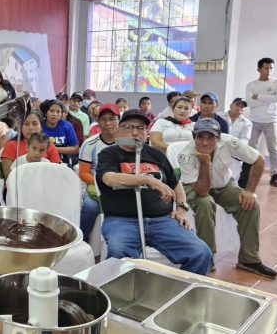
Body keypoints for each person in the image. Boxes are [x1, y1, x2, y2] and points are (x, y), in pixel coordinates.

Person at [96, 110, 212, 275]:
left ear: (146, 133)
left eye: (140, 128)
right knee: (118, 252)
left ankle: (178, 289)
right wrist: (148, 180)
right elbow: (109, 178)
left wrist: (181, 208)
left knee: (201, 253)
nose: (135, 132)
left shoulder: (156, 154)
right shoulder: (109, 154)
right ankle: (121, 289)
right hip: (122, 220)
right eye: (129, 127)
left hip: (162, 220)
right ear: (119, 130)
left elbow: (176, 184)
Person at [176, 119, 277, 278]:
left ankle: (249, 259)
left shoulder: (230, 142)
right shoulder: (185, 154)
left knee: (249, 205)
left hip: (223, 185)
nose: (205, 142)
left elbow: (258, 160)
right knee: (205, 203)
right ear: (194, 137)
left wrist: (250, 191)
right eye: (200, 137)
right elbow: (202, 191)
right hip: (195, 187)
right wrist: (205, 163)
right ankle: (207, 258)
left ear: (219, 137)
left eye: (210, 137)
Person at [78, 103, 120, 243]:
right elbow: (84, 173)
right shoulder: (90, 144)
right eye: (103, 119)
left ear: (119, 120)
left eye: (112, 119)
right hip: (96, 186)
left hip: (122, 186)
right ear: (98, 122)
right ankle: (82, 239)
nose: (108, 123)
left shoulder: (126, 142)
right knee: (90, 207)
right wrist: (103, 182)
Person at [244, 57, 277, 187]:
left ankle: (275, 175)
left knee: (274, 149)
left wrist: (259, 96)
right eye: (266, 68)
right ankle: (247, 173)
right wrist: (270, 98)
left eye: (271, 68)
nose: (269, 71)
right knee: (251, 147)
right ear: (259, 69)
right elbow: (250, 103)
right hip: (254, 120)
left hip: (271, 120)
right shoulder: (251, 85)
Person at [0, 110, 62, 179]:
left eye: (35, 124)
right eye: (26, 124)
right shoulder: (11, 146)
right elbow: (9, 177)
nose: (31, 128)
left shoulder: (49, 146)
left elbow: (57, 173)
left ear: (41, 126)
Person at [222, 98, 253, 185]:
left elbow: (244, 140)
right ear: (231, 105)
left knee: (233, 180)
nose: (240, 108)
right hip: (219, 150)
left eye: (242, 107)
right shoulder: (219, 116)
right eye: (237, 105)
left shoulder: (247, 123)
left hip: (235, 153)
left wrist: (232, 148)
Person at [41, 100, 79, 167]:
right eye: (51, 111)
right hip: (42, 159)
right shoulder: (40, 125)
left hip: (63, 160)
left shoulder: (67, 126)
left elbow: (75, 149)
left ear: (61, 114)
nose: (55, 114)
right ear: (46, 113)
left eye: (58, 111)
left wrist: (53, 149)